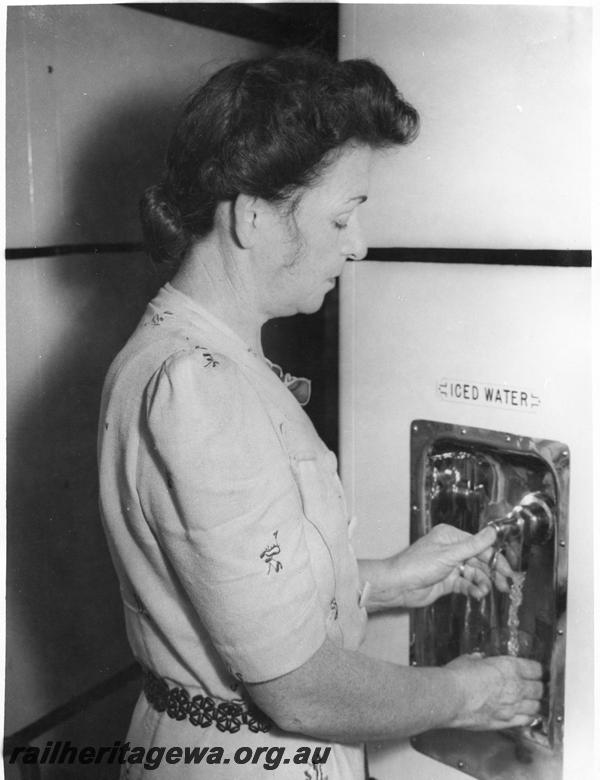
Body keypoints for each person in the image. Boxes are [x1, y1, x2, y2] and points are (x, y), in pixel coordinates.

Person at [98, 49, 543, 779]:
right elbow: (300, 693)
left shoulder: (191, 356)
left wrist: (389, 577)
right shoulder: (198, 388)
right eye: (342, 217)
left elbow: (237, 590)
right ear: (251, 217)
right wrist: (468, 692)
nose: (358, 244)